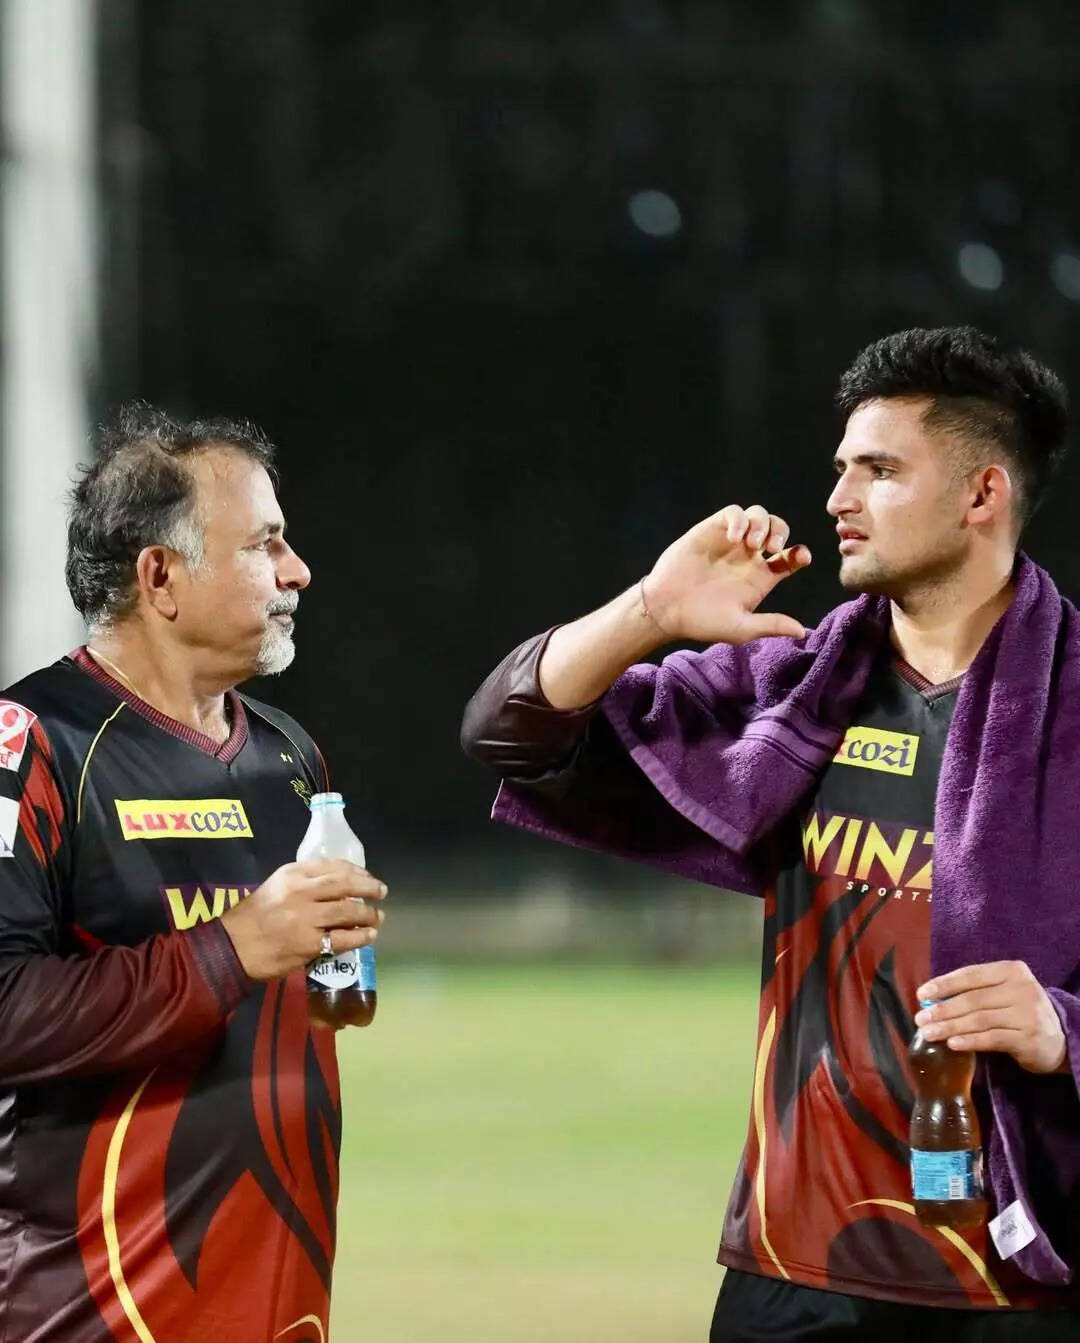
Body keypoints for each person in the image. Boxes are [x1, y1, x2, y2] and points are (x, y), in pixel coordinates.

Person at [462, 326, 1080, 1339]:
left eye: (879, 470)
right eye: (841, 469)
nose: (838, 498)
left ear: (983, 494)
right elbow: (508, 733)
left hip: (1018, 1282)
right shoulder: (797, 688)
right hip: (797, 1271)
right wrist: (652, 609)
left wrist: (1062, 1028)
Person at [0, 405, 386, 1342]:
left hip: (282, 1295)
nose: (297, 570)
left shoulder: (290, 755)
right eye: (264, 544)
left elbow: (306, 1002)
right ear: (160, 577)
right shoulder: (33, 743)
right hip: (92, 1308)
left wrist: (333, 968)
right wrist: (233, 947)